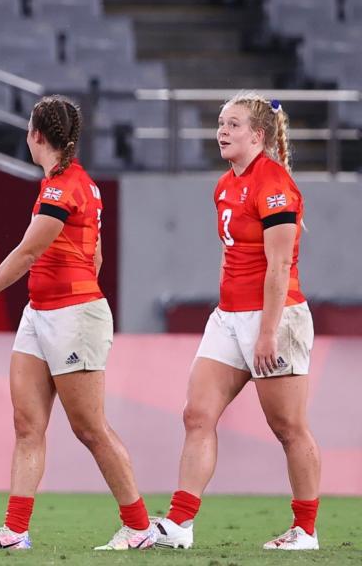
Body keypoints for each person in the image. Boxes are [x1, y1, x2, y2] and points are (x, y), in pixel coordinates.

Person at [0, 96, 155, 552]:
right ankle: (15, 532)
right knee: (27, 424)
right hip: (41, 313)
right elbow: (96, 256)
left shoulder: (61, 189)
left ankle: (140, 527)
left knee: (90, 429)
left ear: (36, 136)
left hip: (70, 315)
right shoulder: (74, 184)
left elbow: (27, 253)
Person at [154, 92, 319, 551]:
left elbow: (279, 268)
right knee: (197, 415)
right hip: (228, 317)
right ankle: (180, 524)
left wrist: (266, 332)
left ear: (258, 135)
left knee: (289, 428)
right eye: (221, 124)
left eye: (232, 125)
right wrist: (236, 320)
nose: (222, 132)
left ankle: (305, 529)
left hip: (276, 317)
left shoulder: (275, 183)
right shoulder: (225, 184)